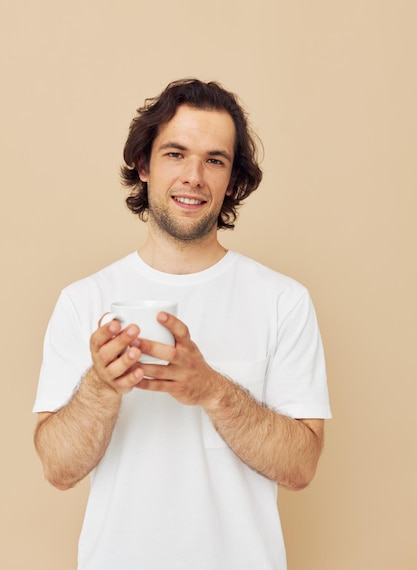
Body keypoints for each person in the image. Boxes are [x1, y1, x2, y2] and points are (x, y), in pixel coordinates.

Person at [33, 78, 331, 570]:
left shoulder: (284, 301)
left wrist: (212, 389)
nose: (194, 176)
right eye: (176, 153)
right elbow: (58, 470)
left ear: (233, 180)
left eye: (215, 160)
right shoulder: (82, 301)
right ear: (144, 166)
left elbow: (300, 467)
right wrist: (100, 388)